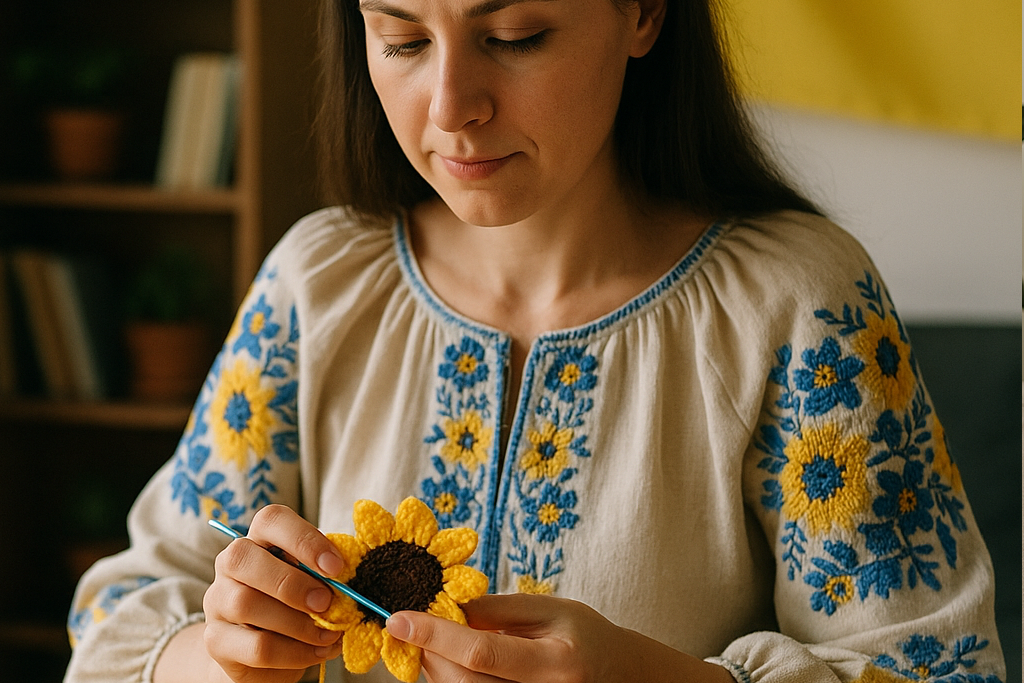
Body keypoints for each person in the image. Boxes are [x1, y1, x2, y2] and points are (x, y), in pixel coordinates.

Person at [64, 0, 1006, 681]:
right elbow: (118, 617)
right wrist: (215, 653)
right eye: (400, 39)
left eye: (514, 38)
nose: (449, 106)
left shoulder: (802, 308)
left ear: (643, 14)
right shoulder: (316, 285)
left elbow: (938, 668)